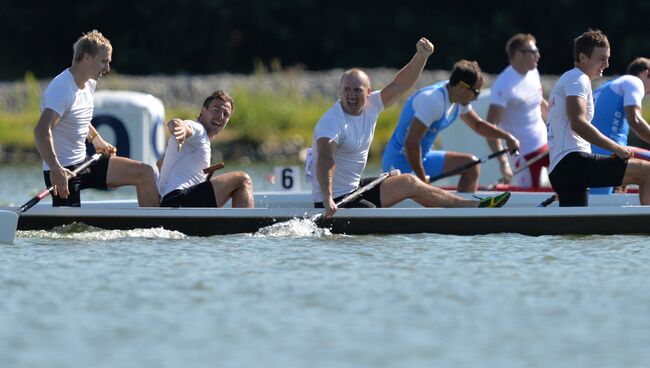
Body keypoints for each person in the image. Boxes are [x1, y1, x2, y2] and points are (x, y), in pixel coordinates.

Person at [307, 38, 512, 218]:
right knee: (383, 204)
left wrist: (421, 56)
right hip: (335, 200)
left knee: (409, 181)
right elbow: (326, 159)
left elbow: (400, 85)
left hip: (354, 189)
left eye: (357, 90)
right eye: (346, 90)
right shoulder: (332, 122)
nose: (351, 95)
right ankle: (470, 208)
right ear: (340, 91)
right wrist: (327, 198)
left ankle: (470, 207)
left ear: (368, 92)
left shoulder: (372, 105)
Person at [33, 30, 159, 207]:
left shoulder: (89, 82)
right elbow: (41, 131)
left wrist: (96, 139)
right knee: (68, 231)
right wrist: (55, 169)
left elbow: (77, 117)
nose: (107, 69)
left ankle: (156, 230)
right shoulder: (61, 90)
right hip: (64, 172)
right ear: (86, 58)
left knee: (145, 173)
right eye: (104, 61)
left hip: (85, 163)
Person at [381, 59, 520, 192]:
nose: (476, 97)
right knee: (427, 191)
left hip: (424, 158)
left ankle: (463, 210)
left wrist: (507, 137)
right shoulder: (433, 101)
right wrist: (422, 179)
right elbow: (411, 143)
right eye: (476, 92)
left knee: (471, 165)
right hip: (400, 162)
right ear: (461, 86)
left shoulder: (458, 98)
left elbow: (477, 125)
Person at [546, 29, 650, 206]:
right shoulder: (578, 78)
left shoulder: (570, 79)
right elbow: (578, 123)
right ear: (583, 57)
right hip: (573, 162)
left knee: (576, 232)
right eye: (602, 58)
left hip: (562, 169)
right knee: (648, 172)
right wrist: (617, 148)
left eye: (608, 58)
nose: (607, 64)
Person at [157, 90, 254, 208]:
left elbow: (160, 164)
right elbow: (178, 124)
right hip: (177, 200)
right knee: (243, 179)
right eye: (216, 110)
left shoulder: (203, 143)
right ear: (204, 110)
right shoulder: (198, 129)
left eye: (225, 114)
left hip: (173, 202)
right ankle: (246, 226)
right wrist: (180, 128)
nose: (220, 116)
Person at [486, 33, 549, 187]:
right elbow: (490, 127)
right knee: (533, 205)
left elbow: (539, 102)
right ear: (518, 54)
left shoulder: (533, 72)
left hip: (546, 145)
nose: (538, 55)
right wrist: (503, 162)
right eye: (533, 52)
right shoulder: (503, 84)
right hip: (524, 155)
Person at [590, 57, 650, 194]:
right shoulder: (634, 81)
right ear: (646, 74)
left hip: (591, 158)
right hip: (609, 156)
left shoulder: (605, 86)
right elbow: (635, 119)